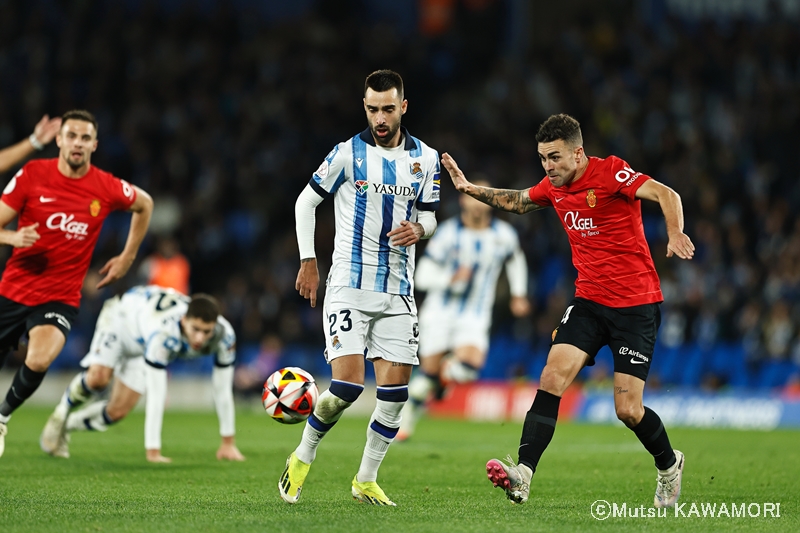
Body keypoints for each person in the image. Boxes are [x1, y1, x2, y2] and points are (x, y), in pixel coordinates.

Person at [442, 114, 695, 508]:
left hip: (636, 305)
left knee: (628, 410)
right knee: (550, 377)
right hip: (589, 302)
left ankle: (668, 465)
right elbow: (520, 201)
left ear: (578, 153)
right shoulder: (553, 187)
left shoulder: (611, 173)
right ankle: (523, 474)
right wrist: (468, 188)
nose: (548, 166)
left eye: (555, 157)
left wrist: (675, 231)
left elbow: (668, 194)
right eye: (543, 158)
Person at [282, 69, 440, 506]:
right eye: (372, 109)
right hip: (349, 284)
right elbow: (305, 201)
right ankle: (303, 454)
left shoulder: (425, 159)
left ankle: (365, 479)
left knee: (395, 395)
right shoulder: (347, 154)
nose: (380, 117)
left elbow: (430, 214)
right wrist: (308, 259)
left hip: (397, 289)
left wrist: (420, 230)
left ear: (403, 107)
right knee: (347, 387)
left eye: (388, 108)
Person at [0, 109, 154, 457]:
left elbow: (144, 204)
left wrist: (128, 257)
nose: (78, 143)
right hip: (13, 289)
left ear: (94, 145)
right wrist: (12, 239)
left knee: (39, 359)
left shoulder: (105, 186)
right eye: (71, 136)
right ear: (59, 140)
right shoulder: (33, 175)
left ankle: (1, 418)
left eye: (85, 138)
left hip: (60, 296)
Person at [39, 285, 243, 463]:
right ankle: (61, 412)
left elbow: (222, 389)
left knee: (116, 412)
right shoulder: (163, 334)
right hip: (121, 322)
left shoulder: (225, 336)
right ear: (183, 320)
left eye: (206, 331)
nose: (200, 338)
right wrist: (153, 451)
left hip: (143, 341)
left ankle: (66, 426)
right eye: (195, 329)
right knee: (98, 379)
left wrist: (228, 442)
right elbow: (157, 393)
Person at [398, 179, 530, 440]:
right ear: (463, 200)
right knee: (429, 375)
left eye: (483, 196)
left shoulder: (502, 235)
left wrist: (519, 294)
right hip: (439, 313)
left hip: (475, 314)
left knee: (469, 368)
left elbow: (516, 261)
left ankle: (445, 375)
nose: (477, 203)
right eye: (472, 197)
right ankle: (409, 416)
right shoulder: (448, 233)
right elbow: (422, 276)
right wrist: (450, 279)